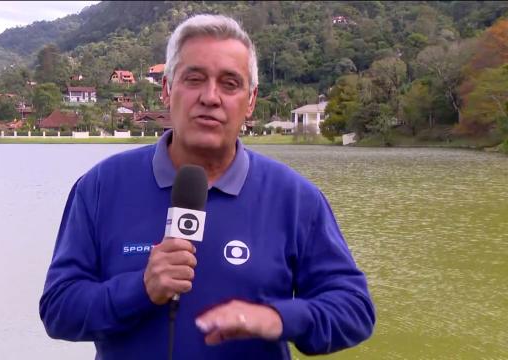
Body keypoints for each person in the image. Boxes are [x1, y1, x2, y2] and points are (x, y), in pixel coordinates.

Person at [39, 14, 375, 360]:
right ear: (167, 90)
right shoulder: (100, 188)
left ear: (251, 101)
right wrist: (139, 289)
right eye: (194, 79)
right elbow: (58, 309)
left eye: (230, 84)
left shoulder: (296, 199)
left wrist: (280, 317)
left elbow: (354, 310)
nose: (210, 97)